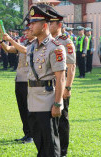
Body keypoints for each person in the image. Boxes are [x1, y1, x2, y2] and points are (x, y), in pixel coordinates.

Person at [27, 5, 66, 156]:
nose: (30, 26)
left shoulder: (55, 47)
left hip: (47, 99)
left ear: (44, 25)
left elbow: (60, 77)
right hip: (33, 99)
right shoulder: (32, 47)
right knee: (39, 139)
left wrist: (57, 103)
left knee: (50, 141)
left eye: (33, 23)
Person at [0, 21, 34, 144]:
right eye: (26, 31)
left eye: (28, 30)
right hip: (19, 79)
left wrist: (11, 39)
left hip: (29, 81)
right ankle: (27, 133)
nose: (26, 32)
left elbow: (24, 50)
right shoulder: (24, 43)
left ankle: (32, 134)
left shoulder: (36, 44)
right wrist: (1, 41)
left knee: (29, 109)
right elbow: (8, 49)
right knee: (22, 108)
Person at [48, 8, 76, 157]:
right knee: (51, 119)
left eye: (50, 23)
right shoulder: (48, 41)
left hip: (62, 84)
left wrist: (68, 88)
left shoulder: (66, 41)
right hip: (49, 85)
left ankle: (63, 151)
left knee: (62, 120)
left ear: (58, 24)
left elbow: (71, 66)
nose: (48, 25)